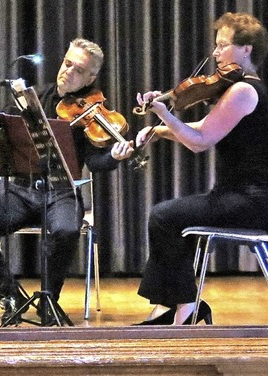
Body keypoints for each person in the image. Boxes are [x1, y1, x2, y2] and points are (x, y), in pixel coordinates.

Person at [0, 38, 134, 325]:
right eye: (67, 63)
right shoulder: (34, 98)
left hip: (62, 193)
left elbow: (95, 162)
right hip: (22, 191)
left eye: (79, 70)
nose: (68, 72)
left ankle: (49, 298)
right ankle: (10, 294)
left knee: (66, 230)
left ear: (91, 77)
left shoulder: (95, 113)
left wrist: (116, 157)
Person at [134, 12, 268, 325]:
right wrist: (159, 130)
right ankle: (173, 308)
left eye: (223, 45)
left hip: (251, 201)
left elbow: (200, 141)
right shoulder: (245, 90)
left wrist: (164, 115)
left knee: (164, 216)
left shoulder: (243, 92)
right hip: (241, 198)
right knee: (175, 220)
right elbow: (204, 126)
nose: (215, 52)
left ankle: (184, 307)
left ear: (246, 49)